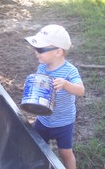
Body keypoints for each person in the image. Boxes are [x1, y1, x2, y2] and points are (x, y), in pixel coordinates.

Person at [24, 24, 85, 169]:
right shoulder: (42, 67)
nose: (36, 53)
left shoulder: (70, 71)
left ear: (58, 52)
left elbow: (81, 91)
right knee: (39, 148)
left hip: (63, 122)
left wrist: (66, 84)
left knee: (65, 152)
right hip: (44, 119)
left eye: (40, 49)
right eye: (35, 49)